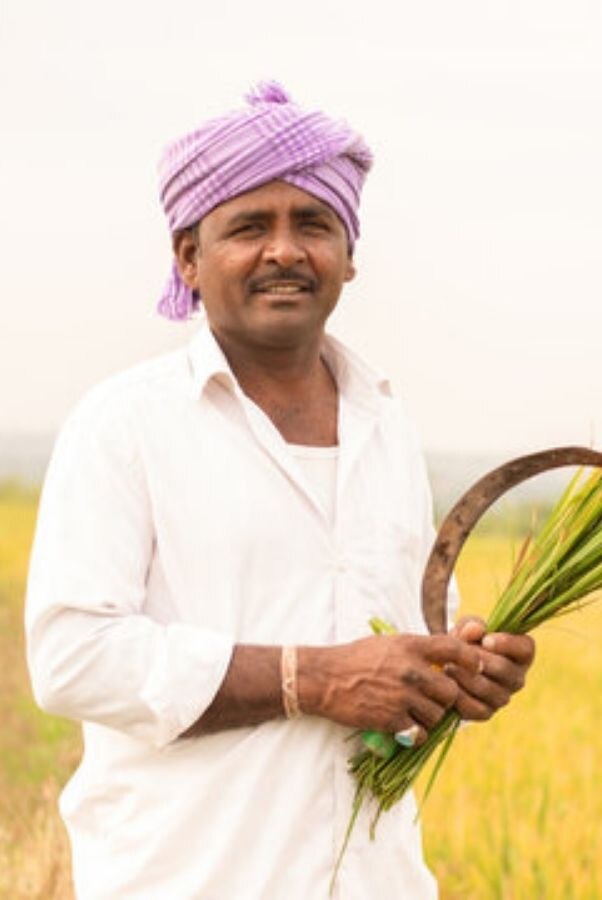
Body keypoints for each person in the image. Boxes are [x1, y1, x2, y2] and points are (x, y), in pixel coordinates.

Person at [24, 81, 535, 899]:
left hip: (377, 881)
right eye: (249, 226)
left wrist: (457, 670)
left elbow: (398, 655)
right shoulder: (123, 425)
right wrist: (315, 678)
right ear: (188, 258)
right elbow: (72, 659)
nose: (286, 251)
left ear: (350, 253)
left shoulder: (386, 427)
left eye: (314, 224)